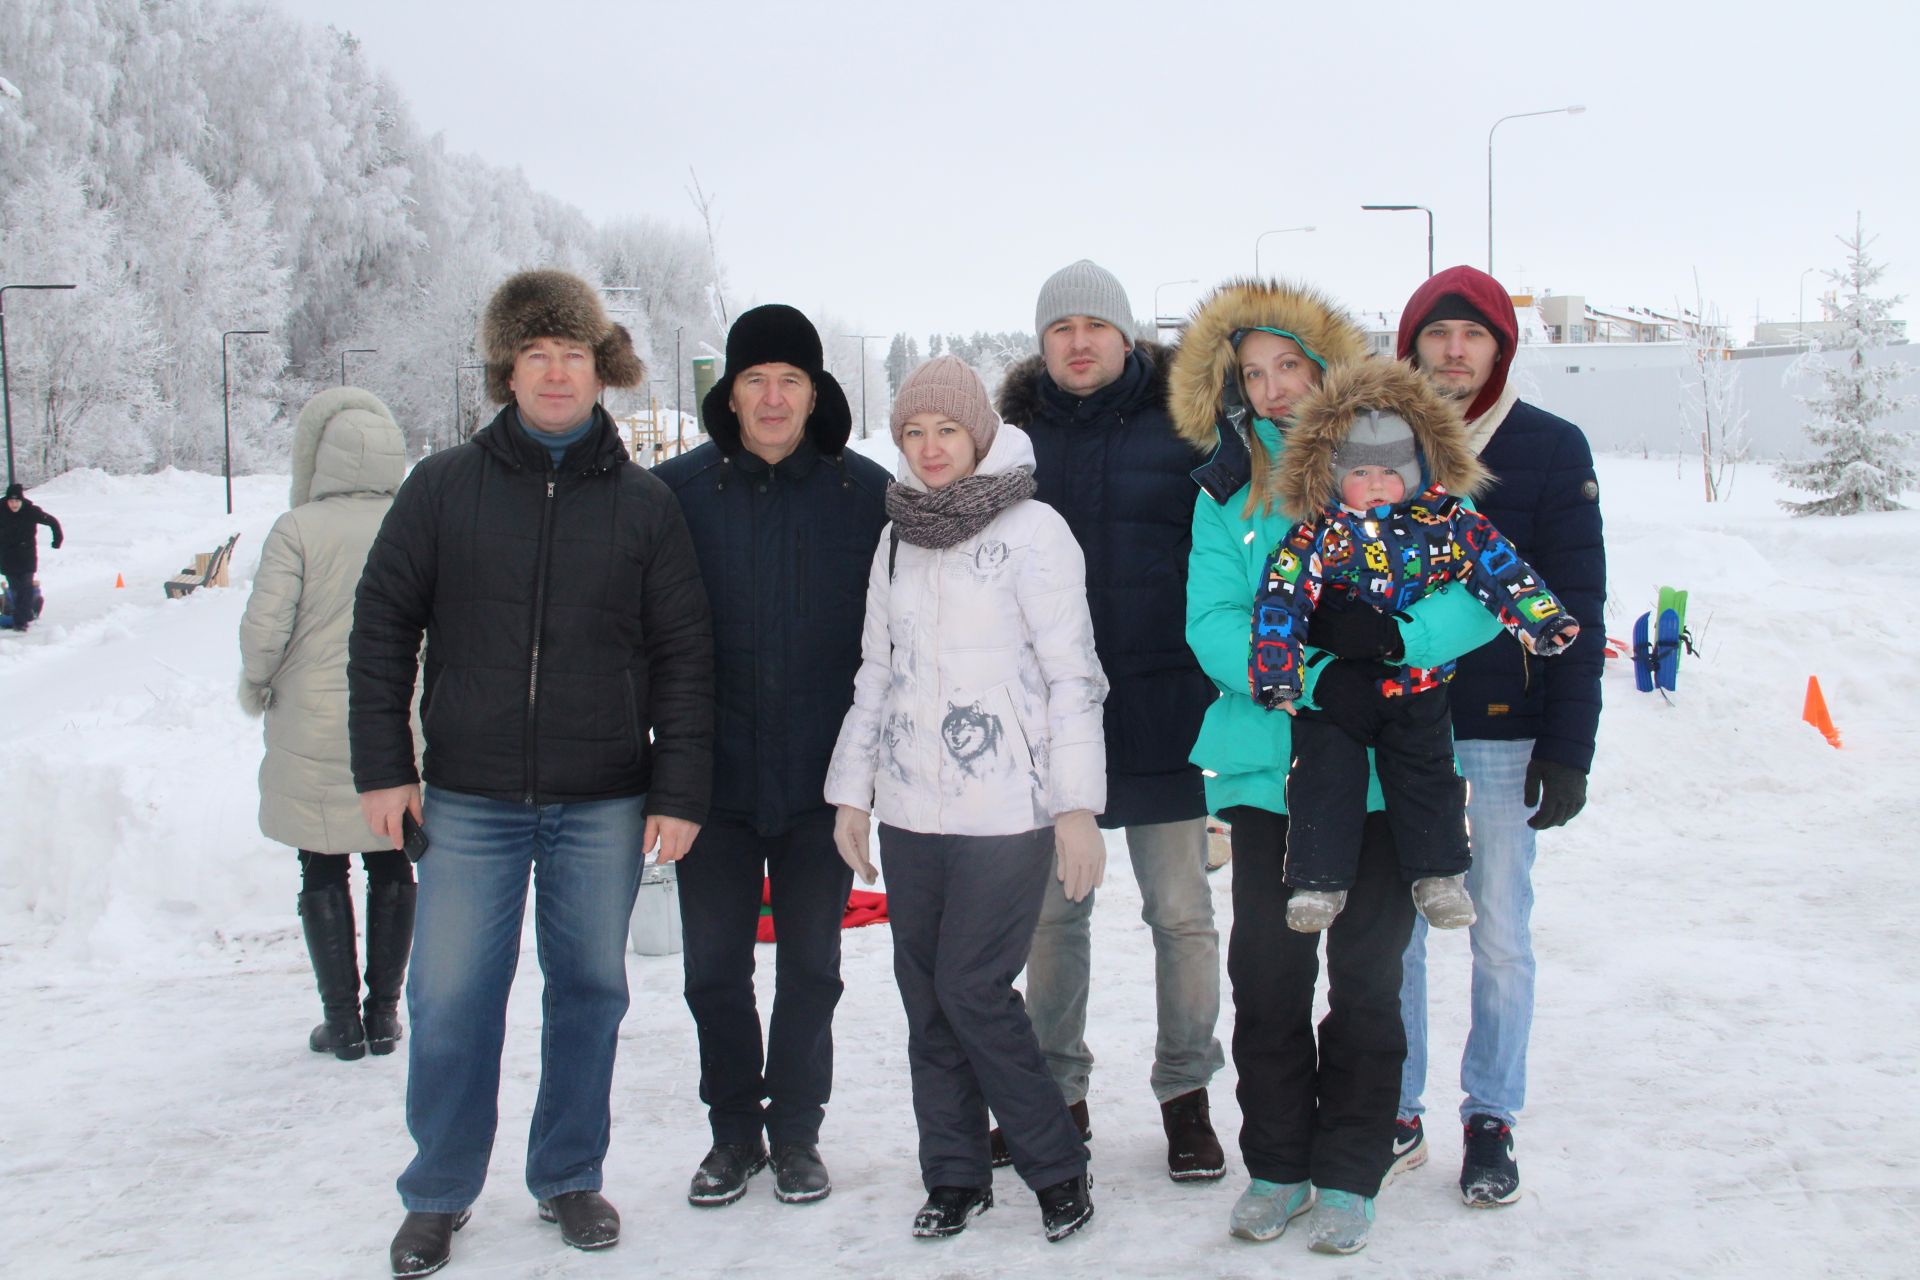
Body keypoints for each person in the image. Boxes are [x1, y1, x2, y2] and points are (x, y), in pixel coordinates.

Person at [348, 269, 714, 1279]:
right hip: (468, 796)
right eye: (537, 353)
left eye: (575, 354)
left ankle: (568, 1172)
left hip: (604, 797)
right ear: (506, 370)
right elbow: (382, 626)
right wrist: (386, 765)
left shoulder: (644, 506)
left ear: (604, 371)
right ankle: (439, 1190)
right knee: (455, 992)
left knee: (590, 988)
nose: (556, 372)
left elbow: (685, 653)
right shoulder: (442, 488)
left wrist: (679, 789)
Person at [1169, 279, 1502, 1255]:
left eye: (1289, 367)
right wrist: (1313, 675)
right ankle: (1277, 1162)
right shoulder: (1227, 491)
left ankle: (1353, 1167)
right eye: (1253, 373)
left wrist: (1399, 642)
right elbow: (1212, 622)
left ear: (1324, 369)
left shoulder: (1393, 457)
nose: (1273, 389)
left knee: (1367, 978)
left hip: (1381, 779)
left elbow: (1482, 587)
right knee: (1268, 973)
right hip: (1267, 765)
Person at [1326, 265, 1604, 1208]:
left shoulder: (1549, 448)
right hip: (1397, 727)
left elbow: (1576, 601)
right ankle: (1397, 1111)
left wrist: (1570, 746)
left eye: (1472, 336)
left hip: (1502, 733)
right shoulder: (1379, 441)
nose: (1453, 351)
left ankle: (1491, 1116)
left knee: (1498, 934)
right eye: (1437, 334)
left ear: (1500, 348)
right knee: (1394, 930)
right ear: (1410, 345)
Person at [825, 356, 1106, 1243]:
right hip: (912, 807)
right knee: (924, 993)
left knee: (971, 986)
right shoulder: (897, 535)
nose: (930, 447)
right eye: (914, 432)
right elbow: (877, 670)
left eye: (946, 430)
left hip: (1006, 808)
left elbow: (1073, 678)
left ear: (979, 433)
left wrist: (1075, 808)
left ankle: (1055, 1163)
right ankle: (952, 1174)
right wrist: (852, 795)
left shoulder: (1036, 531)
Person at [652, 304, 890, 1209]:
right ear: (731, 392)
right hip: (707, 785)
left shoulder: (863, 496)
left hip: (821, 787)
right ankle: (732, 1134)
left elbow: (896, 642)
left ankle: (796, 1133)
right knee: (713, 969)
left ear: (817, 391)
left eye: (791, 378)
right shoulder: (677, 494)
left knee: (813, 970)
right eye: (756, 378)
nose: (773, 395)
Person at [993, 259, 1225, 1179]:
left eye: (1095, 326)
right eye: (1062, 330)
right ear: (1042, 345)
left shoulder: (1188, 427)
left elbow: (1242, 540)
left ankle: (1187, 1096)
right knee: (1053, 921)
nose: (1079, 342)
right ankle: (1058, 1097)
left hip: (1164, 710)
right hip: (1053, 725)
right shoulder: (1012, 443)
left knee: (1182, 914)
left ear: (1126, 336)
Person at [1245, 360, 1580, 935]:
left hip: (1417, 684)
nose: (1377, 483)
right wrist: (1278, 673)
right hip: (1338, 692)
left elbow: (1499, 570)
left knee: (1429, 776)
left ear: (1417, 468)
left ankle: (1440, 875)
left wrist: (1540, 620)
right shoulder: (1316, 533)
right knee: (1325, 777)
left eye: (1391, 470)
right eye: (1360, 472)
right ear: (1332, 474)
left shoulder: (1447, 522)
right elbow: (1280, 601)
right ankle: (1318, 881)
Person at [239, 387, 413, 1063]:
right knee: (393, 854)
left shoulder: (299, 528)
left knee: (321, 861)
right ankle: (386, 1013)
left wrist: (257, 682)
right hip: (397, 712)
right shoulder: (410, 519)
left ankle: (341, 1021)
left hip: (312, 720)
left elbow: (265, 629)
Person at [0, 481, 61, 631]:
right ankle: (26, 613)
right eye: (11, 501)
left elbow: (52, 522)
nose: (14, 504)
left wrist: (57, 540)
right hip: (7, 558)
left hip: (27, 556)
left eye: (17, 501)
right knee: (16, 588)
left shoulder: (30, 511)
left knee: (25, 587)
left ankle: (20, 622)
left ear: (21, 501)